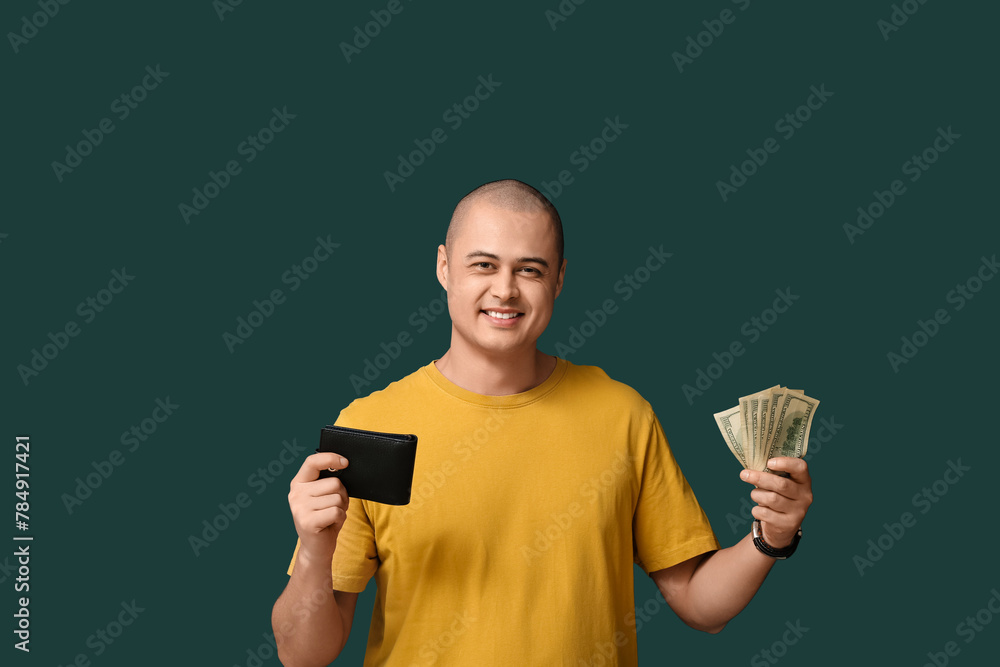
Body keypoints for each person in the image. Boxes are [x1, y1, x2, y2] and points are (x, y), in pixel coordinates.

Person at [271, 179, 813, 666]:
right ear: (443, 267)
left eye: (529, 269)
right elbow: (303, 655)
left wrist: (771, 538)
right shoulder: (371, 425)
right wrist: (315, 549)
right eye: (483, 265)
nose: (505, 290)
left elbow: (699, 605)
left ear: (559, 280)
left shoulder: (622, 415)